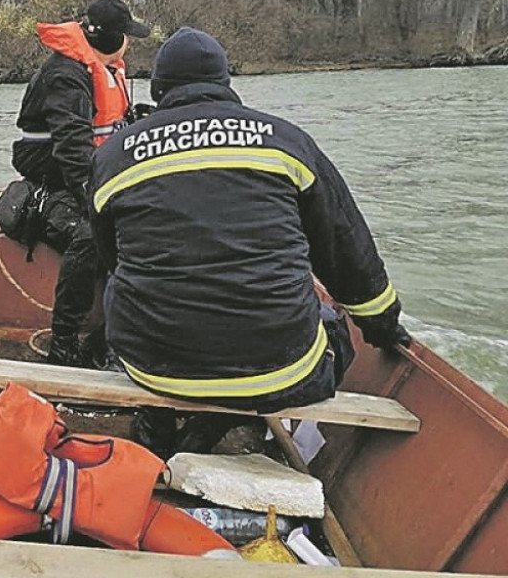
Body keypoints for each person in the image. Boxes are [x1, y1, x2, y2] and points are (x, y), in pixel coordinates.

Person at [89, 26, 409, 448]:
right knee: (333, 325)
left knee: (119, 286)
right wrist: (383, 328)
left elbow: (111, 257)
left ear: (159, 87)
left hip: (157, 369)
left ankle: (162, 419)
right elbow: (347, 251)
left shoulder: (114, 155)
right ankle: (229, 425)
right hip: (283, 374)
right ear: (225, 84)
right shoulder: (286, 141)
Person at [11, 0, 151, 366]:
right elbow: (73, 150)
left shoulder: (100, 70)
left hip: (88, 167)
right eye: (126, 36)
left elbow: (105, 128)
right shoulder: (66, 75)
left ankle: (124, 330)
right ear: (108, 39)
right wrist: (97, 202)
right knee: (91, 235)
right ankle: (64, 342)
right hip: (52, 175)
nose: (129, 43)